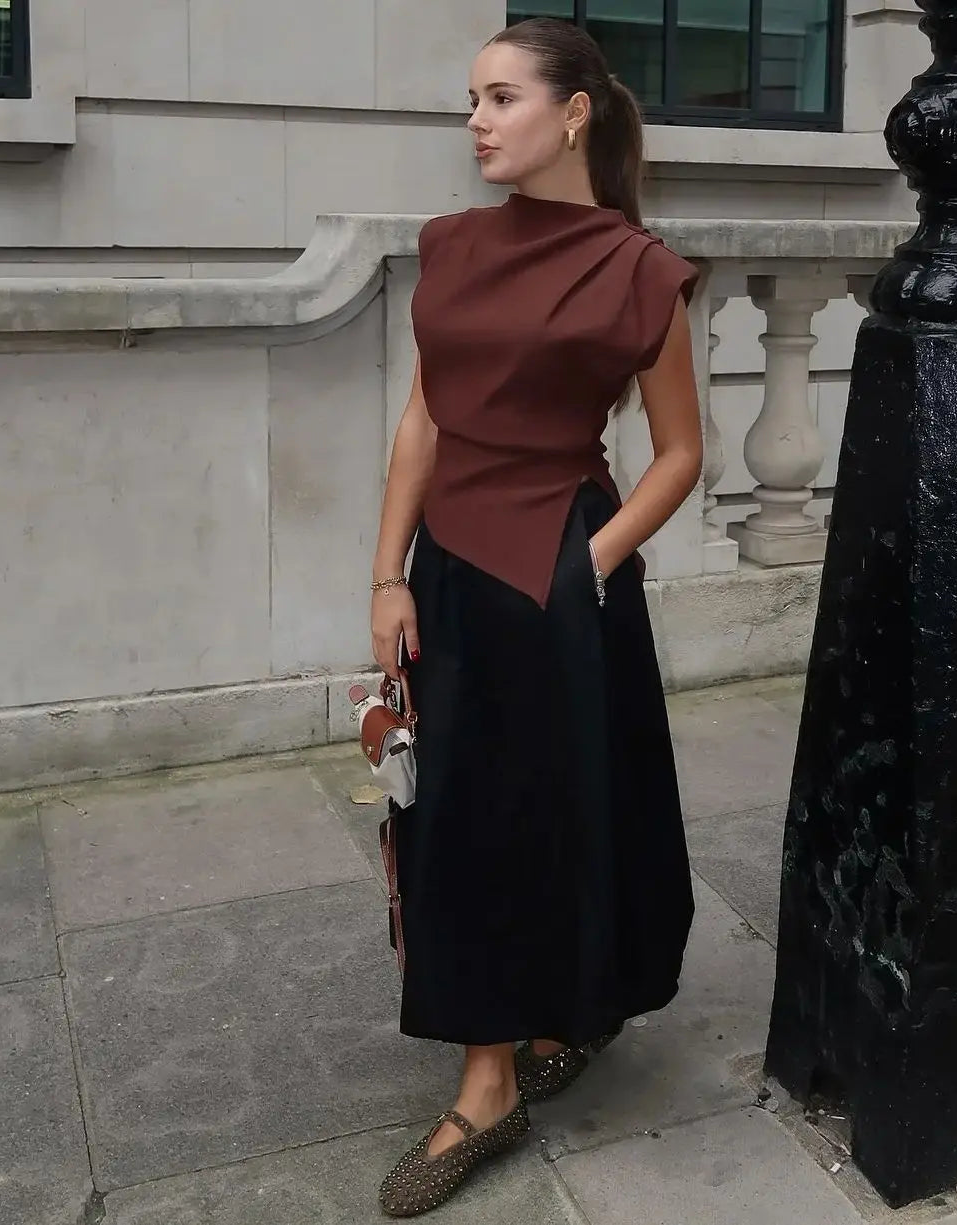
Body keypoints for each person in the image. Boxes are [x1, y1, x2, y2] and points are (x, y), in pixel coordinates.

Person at [369, 16, 703, 1217]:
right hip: (452, 570)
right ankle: (488, 1068)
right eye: (470, 99)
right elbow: (425, 419)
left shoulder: (639, 268)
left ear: (572, 113)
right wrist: (385, 572)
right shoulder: (451, 247)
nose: (475, 120)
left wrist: (591, 565)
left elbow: (678, 454)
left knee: (566, 805)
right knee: (452, 814)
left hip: (564, 573)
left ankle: (554, 1023)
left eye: (499, 97)